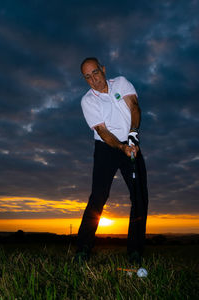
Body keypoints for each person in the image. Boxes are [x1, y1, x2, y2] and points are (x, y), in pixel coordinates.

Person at [75, 57, 148, 266]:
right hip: (106, 148)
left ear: (103, 69)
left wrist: (132, 136)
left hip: (130, 143)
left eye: (95, 73)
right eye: (87, 77)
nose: (93, 79)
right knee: (98, 196)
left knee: (139, 196)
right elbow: (102, 131)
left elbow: (134, 107)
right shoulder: (87, 100)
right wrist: (121, 147)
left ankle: (135, 251)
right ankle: (83, 249)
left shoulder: (121, 83)